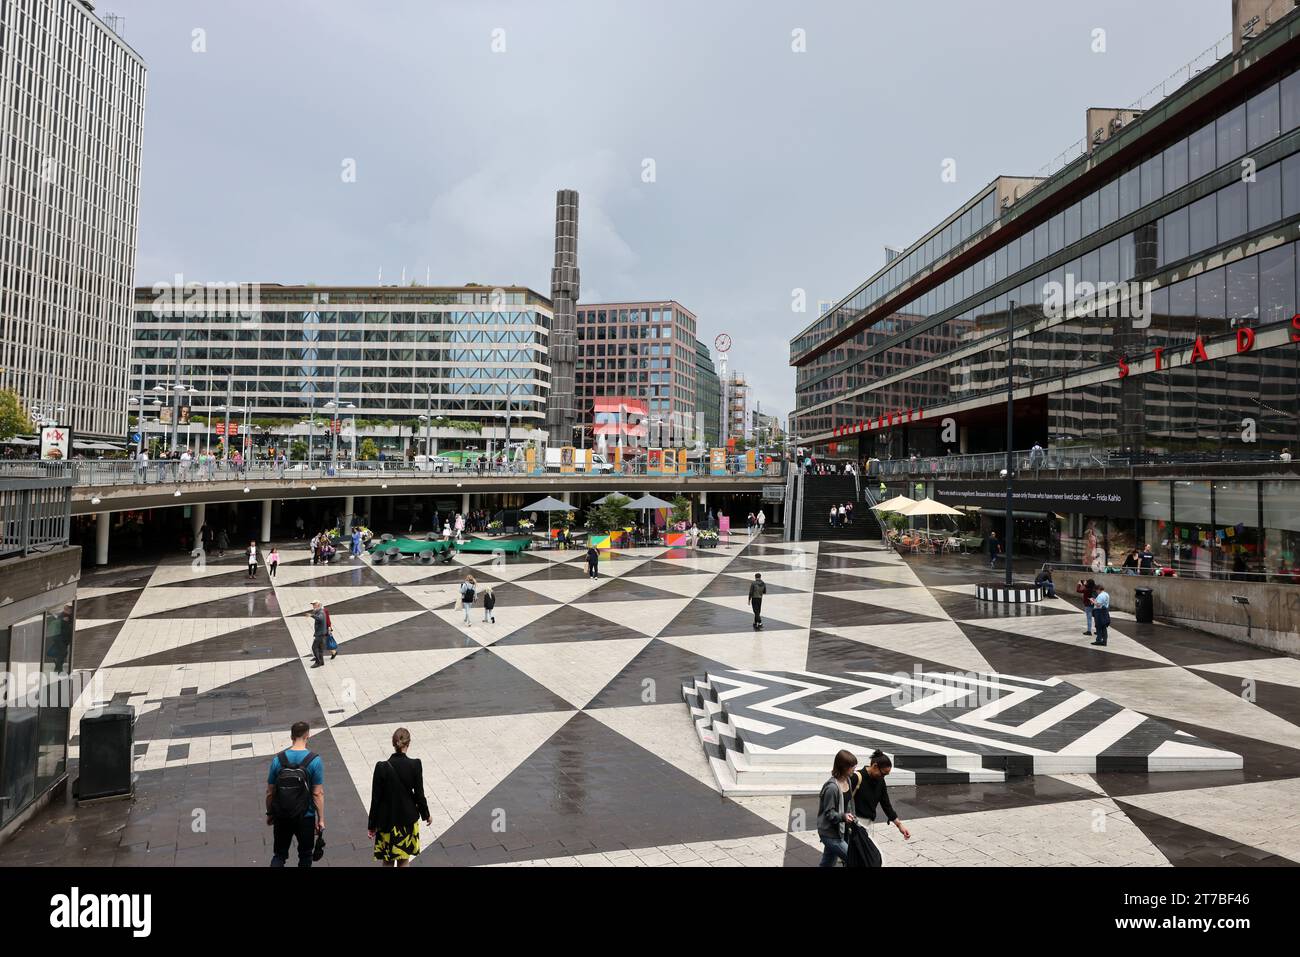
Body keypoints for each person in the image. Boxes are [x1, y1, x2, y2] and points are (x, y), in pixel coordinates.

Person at [367, 727, 431, 867]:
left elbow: (375, 799)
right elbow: (419, 795)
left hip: (386, 821)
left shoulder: (381, 767)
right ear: (408, 744)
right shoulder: (415, 765)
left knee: (387, 860)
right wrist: (426, 815)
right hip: (407, 820)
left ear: (393, 743)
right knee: (403, 859)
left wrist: (372, 825)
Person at [266, 720, 325, 867]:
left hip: (282, 815)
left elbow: (270, 792)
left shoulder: (278, 760)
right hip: (306, 816)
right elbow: (317, 793)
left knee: (279, 855)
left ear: (291, 736)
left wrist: (270, 813)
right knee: (305, 855)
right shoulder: (315, 760)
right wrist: (321, 819)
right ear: (307, 736)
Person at [849, 750, 911, 846]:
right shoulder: (856, 778)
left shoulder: (880, 781)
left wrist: (899, 825)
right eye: (883, 773)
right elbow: (843, 800)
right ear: (874, 766)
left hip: (868, 825)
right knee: (871, 858)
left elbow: (886, 805)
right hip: (854, 824)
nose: (883, 777)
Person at [816, 749, 857, 867]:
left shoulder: (848, 780)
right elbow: (829, 813)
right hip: (830, 834)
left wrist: (853, 819)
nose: (854, 768)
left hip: (841, 830)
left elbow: (849, 803)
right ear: (843, 767)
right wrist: (843, 817)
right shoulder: (832, 788)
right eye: (852, 766)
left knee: (827, 863)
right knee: (853, 859)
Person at [308, 600, 328, 668]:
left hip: (320, 634)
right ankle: (321, 662)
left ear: (319, 605)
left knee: (314, 648)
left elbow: (320, 618)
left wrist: (311, 615)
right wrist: (314, 612)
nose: (313, 606)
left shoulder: (321, 612)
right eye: (312, 604)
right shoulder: (319, 611)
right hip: (321, 633)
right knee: (320, 649)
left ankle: (317, 662)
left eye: (314, 605)